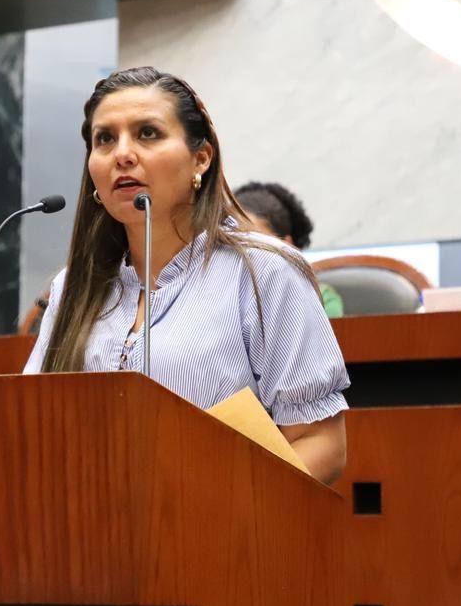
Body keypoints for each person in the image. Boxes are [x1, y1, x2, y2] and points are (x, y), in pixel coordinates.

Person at [23, 67, 350, 484]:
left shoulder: (265, 271)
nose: (122, 154)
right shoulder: (72, 286)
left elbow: (321, 443)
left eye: (147, 133)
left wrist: (222, 511)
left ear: (201, 158)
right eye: (104, 139)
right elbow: (34, 425)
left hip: (221, 521)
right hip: (89, 519)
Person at [235, 181, 346, 318]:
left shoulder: (322, 302)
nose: (244, 253)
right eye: (232, 243)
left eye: (256, 244)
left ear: (287, 246)